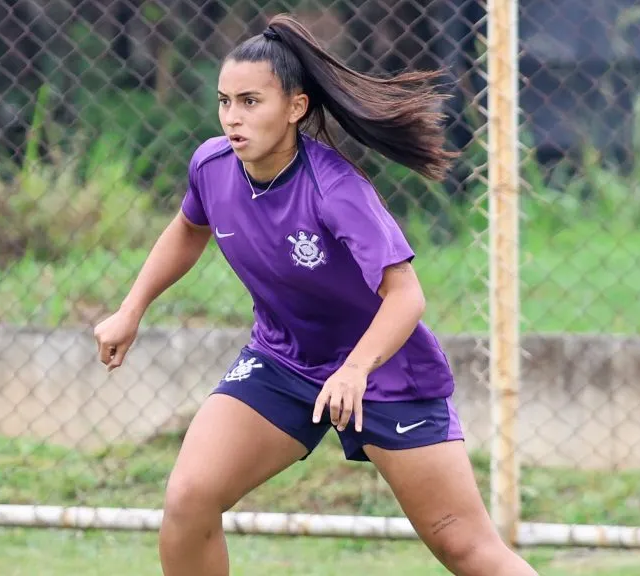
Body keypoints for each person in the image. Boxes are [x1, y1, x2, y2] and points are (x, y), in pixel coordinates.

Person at [92, 13, 539, 576]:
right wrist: (131, 309)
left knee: (465, 549)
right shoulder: (212, 165)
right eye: (225, 101)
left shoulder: (336, 189)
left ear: (296, 107)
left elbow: (406, 297)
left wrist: (354, 371)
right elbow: (188, 227)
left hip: (385, 374)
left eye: (251, 101)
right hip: (282, 361)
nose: (233, 117)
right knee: (189, 498)